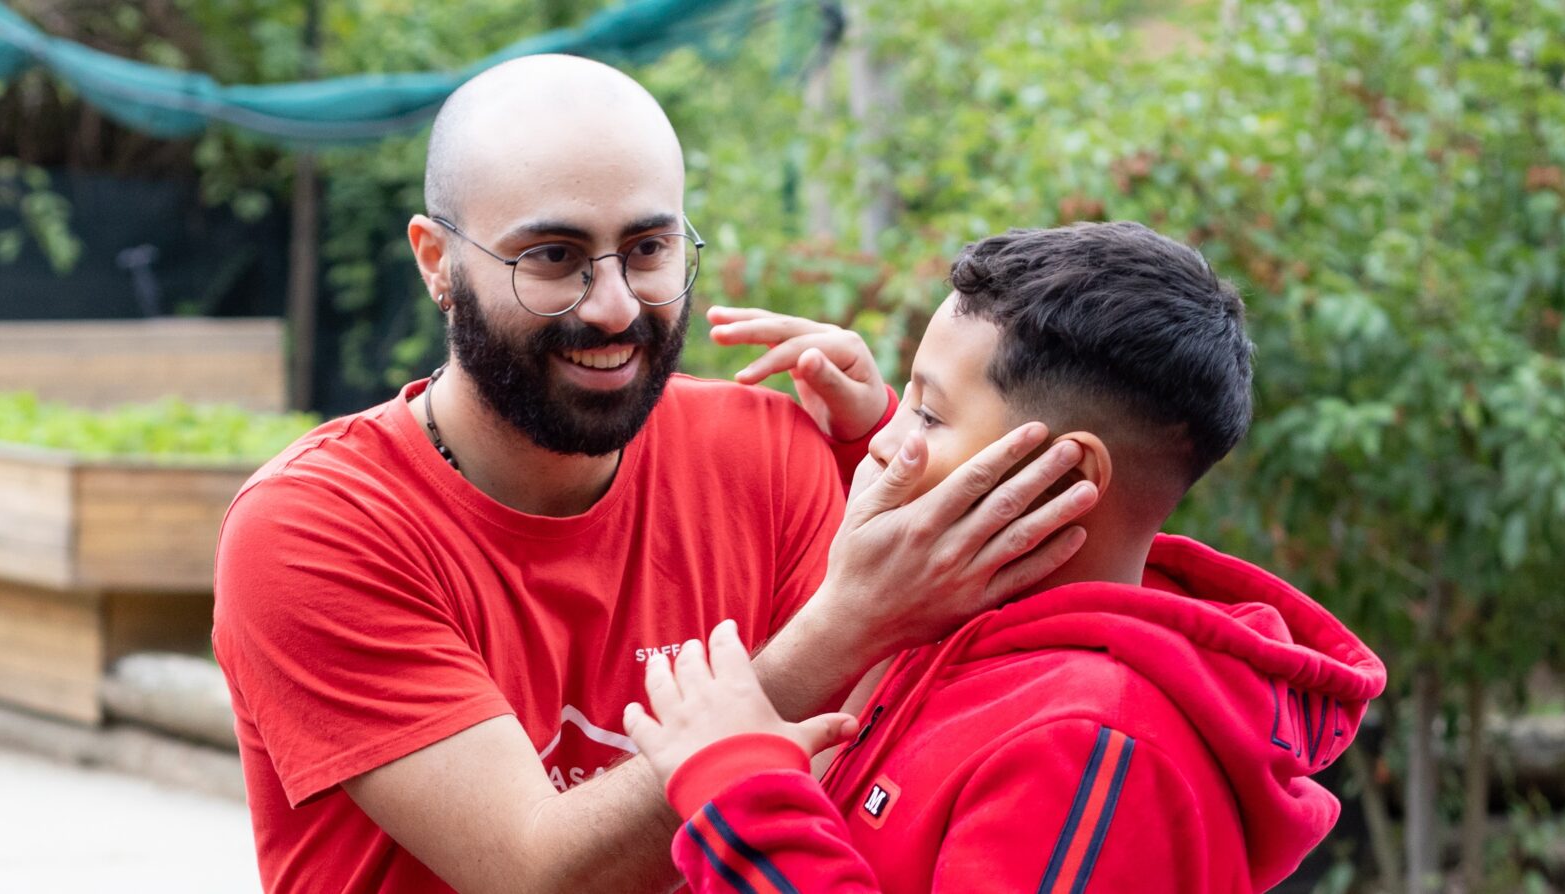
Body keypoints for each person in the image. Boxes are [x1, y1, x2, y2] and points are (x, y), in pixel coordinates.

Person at [211, 55, 1103, 894]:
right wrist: (846, 624)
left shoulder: (768, 452)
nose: (613, 307)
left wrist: (888, 443)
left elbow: (863, 778)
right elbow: (536, 871)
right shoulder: (314, 528)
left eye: (648, 249)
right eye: (551, 258)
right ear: (438, 262)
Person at [622, 221, 1390, 894]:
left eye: (929, 410)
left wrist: (745, 798)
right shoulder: (977, 624)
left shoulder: (1094, 741)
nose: (891, 444)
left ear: (1069, 476)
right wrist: (881, 428)